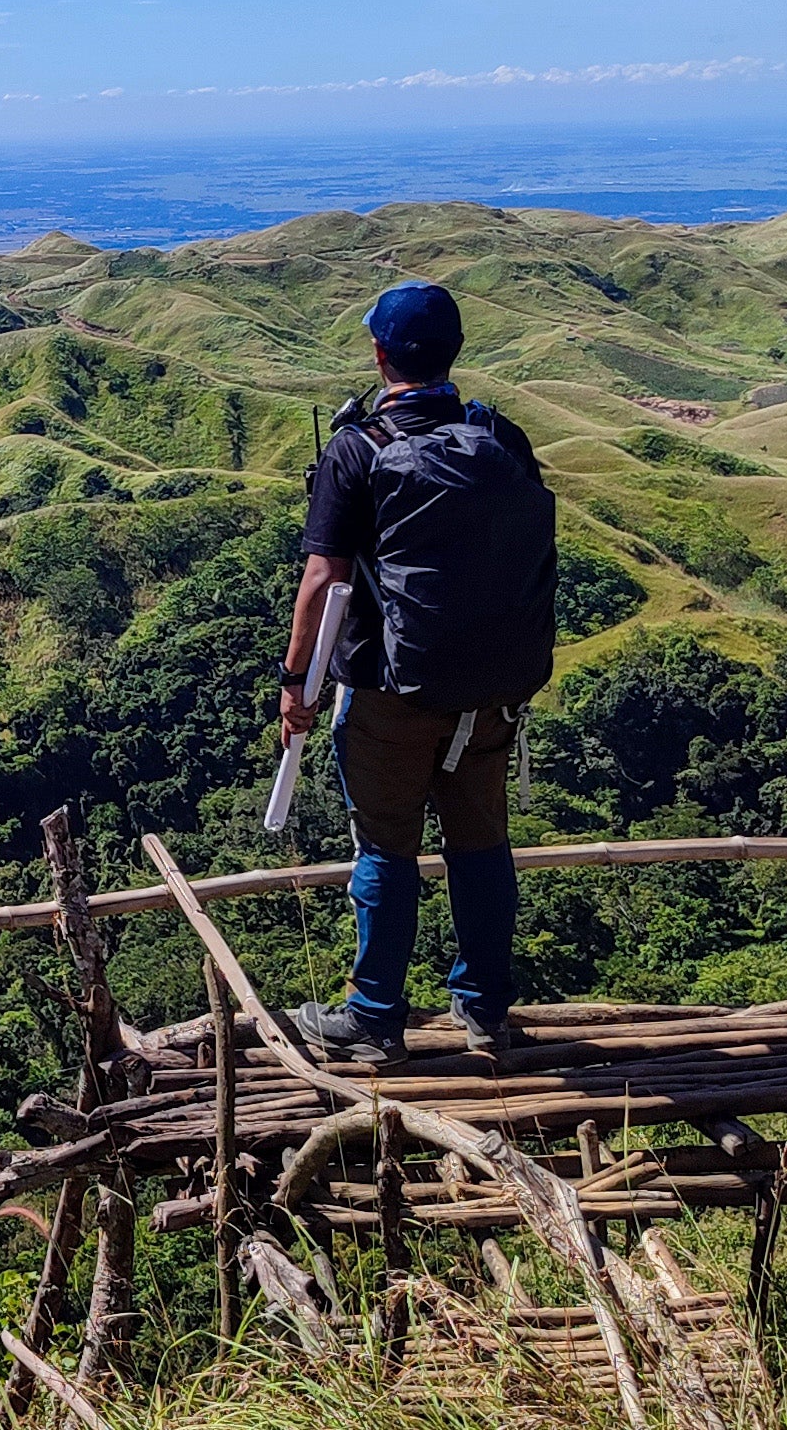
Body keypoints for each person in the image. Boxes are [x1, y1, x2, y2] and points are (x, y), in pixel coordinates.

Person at [279, 280, 559, 1063]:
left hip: (388, 695)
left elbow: (323, 581)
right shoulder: (499, 436)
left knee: (385, 850)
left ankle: (373, 1018)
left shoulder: (357, 449)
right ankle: (486, 1010)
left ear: (379, 353)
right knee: (482, 846)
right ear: (453, 352)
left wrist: (294, 685)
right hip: (495, 694)